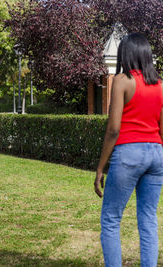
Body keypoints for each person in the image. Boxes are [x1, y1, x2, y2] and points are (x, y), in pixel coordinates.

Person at [95, 33, 163, 267]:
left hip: (129, 153)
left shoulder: (122, 81)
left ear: (127, 54)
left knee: (111, 219)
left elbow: (114, 129)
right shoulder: (160, 85)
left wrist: (100, 167)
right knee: (148, 219)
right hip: (156, 154)